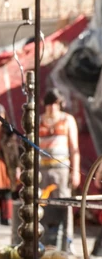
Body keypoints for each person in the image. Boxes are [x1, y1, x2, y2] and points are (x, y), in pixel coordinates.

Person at [39, 88, 80, 250]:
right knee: (41, 204)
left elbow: (74, 148)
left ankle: (67, 241)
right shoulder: (39, 120)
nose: (52, 108)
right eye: (50, 104)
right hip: (42, 169)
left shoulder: (67, 120)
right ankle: (43, 241)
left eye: (56, 104)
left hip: (61, 169)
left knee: (65, 204)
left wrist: (75, 171)